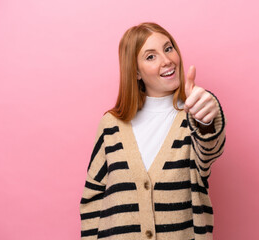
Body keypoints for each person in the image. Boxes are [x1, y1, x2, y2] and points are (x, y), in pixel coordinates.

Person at [79, 22, 227, 240]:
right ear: (136, 72)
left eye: (168, 48)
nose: (167, 60)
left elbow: (209, 151)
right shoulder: (111, 125)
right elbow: (92, 199)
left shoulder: (193, 115)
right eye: (151, 56)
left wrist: (207, 118)